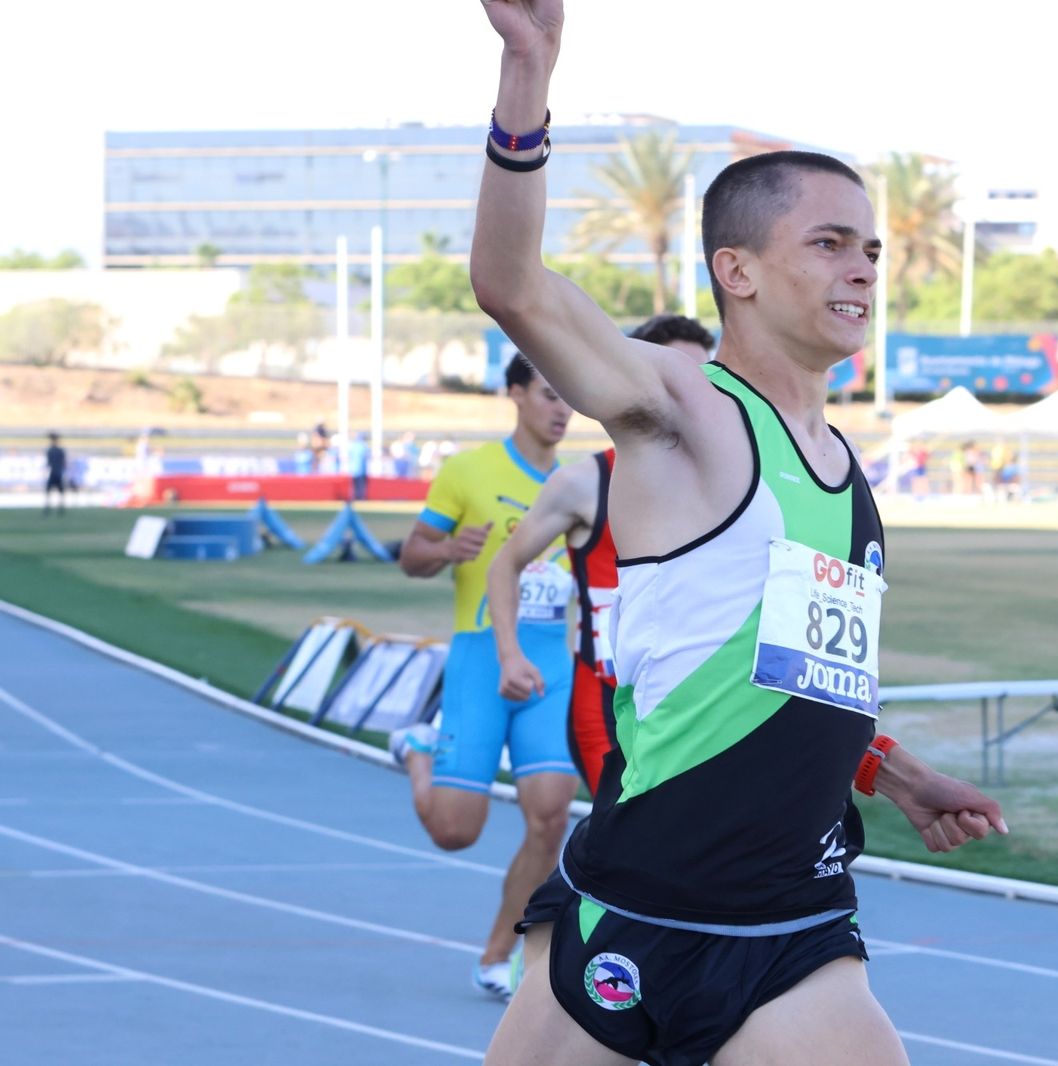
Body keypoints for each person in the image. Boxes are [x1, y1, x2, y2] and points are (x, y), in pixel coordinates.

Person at [470, 5, 1007, 1064]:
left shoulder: (845, 466)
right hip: (627, 908)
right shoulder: (682, 409)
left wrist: (891, 773)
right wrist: (527, 74)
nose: (863, 269)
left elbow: (803, 670)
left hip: (789, 926)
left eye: (871, 250)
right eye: (828, 243)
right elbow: (512, 287)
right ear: (738, 271)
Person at [388, 354, 578, 1000]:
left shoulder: (581, 482)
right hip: (479, 658)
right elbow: (411, 555)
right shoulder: (467, 471)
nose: (562, 409)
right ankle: (419, 751)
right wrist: (446, 550)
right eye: (550, 394)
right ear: (517, 393)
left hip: (554, 664)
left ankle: (502, 955)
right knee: (454, 831)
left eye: (569, 399)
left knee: (551, 818)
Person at [486, 315, 715, 797]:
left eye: (709, 379)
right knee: (636, 849)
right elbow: (505, 563)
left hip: (698, 705)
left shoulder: (732, 485)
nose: (700, 396)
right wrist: (510, 656)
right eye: (681, 378)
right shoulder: (582, 484)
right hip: (607, 706)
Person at [43, 432, 67, 515]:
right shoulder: (55, 450)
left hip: (55, 473)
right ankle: (56, 508)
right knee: (54, 491)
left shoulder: (52, 450)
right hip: (56, 472)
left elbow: (49, 463)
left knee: (54, 491)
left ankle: (57, 508)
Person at [348, 431, 371, 500]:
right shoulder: (364, 446)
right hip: (361, 469)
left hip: (354, 469)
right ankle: (361, 497)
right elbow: (367, 456)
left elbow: (350, 455)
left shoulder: (353, 445)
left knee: (355, 484)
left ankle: (355, 496)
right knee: (361, 484)